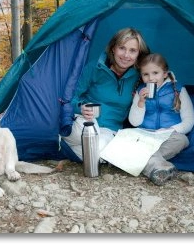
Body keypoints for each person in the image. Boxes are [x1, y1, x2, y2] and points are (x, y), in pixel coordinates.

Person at [62, 27, 150, 160]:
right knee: (89, 136)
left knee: (97, 154)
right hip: (84, 122)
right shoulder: (95, 67)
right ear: (113, 48)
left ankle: (70, 149)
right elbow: (70, 98)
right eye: (122, 48)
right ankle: (85, 150)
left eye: (132, 51)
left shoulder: (139, 77)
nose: (126, 55)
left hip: (109, 130)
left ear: (138, 54)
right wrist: (81, 107)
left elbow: (160, 75)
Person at [128, 53, 194, 185]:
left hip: (169, 136)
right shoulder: (140, 92)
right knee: (130, 139)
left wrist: (171, 129)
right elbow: (134, 122)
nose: (150, 78)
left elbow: (189, 120)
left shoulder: (178, 90)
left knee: (182, 140)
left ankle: (147, 160)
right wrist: (141, 102)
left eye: (155, 73)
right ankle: (160, 167)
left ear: (165, 74)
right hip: (145, 135)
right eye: (145, 74)